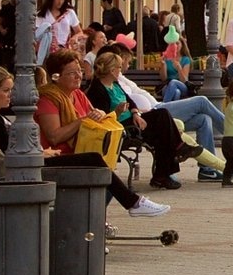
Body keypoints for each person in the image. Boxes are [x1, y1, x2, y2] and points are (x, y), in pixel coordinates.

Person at [30, 52, 169, 218]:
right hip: (54, 157)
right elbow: (54, 137)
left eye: (80, 71)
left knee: (104, 168)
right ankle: (133, 203)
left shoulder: (78, 95)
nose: (78, 76)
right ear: (56, 76)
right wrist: (82, 121)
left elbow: (94, 118)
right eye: (72, 73)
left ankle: (96, 221)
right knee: (96, 161)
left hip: (79, 150)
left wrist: (102, 114)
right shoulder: (48, 99)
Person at [85, 49, 189, 189]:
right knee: (162, 129)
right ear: (111, 70)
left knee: (162, 117)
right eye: (119, 68)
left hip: (131, 120)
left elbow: (129, 100)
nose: (121, 71)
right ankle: (168, 166)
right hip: (121, 127)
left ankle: (168, 166)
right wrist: (117, 111)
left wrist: (135, 113)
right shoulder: (97, 89)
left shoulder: (114, 84)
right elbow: (103, 118)